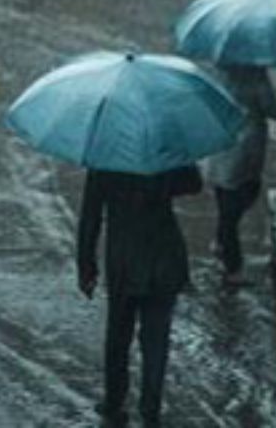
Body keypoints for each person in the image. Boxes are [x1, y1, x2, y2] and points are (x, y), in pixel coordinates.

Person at [77, 166, 203, 428]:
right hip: (164, 257)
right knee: (156, 339)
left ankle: (114, 402)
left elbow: (91, 215)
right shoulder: (165, 150)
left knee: (118, 335)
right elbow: (193, 184)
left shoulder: (105, 159)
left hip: (124, 260)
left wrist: (86, 266)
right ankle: (150, 410)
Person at [204, 65, 276, 285]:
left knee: (225, 198)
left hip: (220, 141)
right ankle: (233, 268)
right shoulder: (255, 73)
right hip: (245, 146)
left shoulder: (218, 70)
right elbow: (269, 106)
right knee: (239, 201)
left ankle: (221, 243)